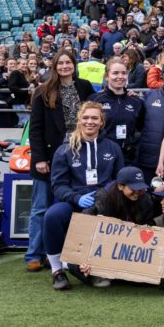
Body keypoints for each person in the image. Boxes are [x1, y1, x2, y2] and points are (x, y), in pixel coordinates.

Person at [43, 102, 125, 290]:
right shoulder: (65, 149)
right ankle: (57, 271)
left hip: (104, 202)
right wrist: (76, 198)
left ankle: (102, 267)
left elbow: (120, 180)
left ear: (102, 122)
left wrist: (104, 195)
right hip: (75, 201)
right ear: (79, 120)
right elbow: (58, 185)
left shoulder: (113, 148)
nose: (90, 122)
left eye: (95, 118)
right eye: (86, 118)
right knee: (52, 216)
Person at [26, 49, 94, 273]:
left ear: (74, 65)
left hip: (78, 155)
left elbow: (98, 107)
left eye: (69, 62)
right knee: (41, 207)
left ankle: (60, 254)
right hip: (50, 156)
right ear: (54, 66)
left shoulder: (84, 87)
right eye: (60, 63)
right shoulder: (42, 91)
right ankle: (34, 254)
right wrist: (39, 158)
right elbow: (35, 129)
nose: (65, 66)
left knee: (67, 207)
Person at [88, 58, 144, 164]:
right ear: (107, 76)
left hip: (128, 157)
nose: (120, 77)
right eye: (115, 73)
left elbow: (140, 127)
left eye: (123, 73)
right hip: (102, 155)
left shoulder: (136, 101)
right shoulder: (95, 100)